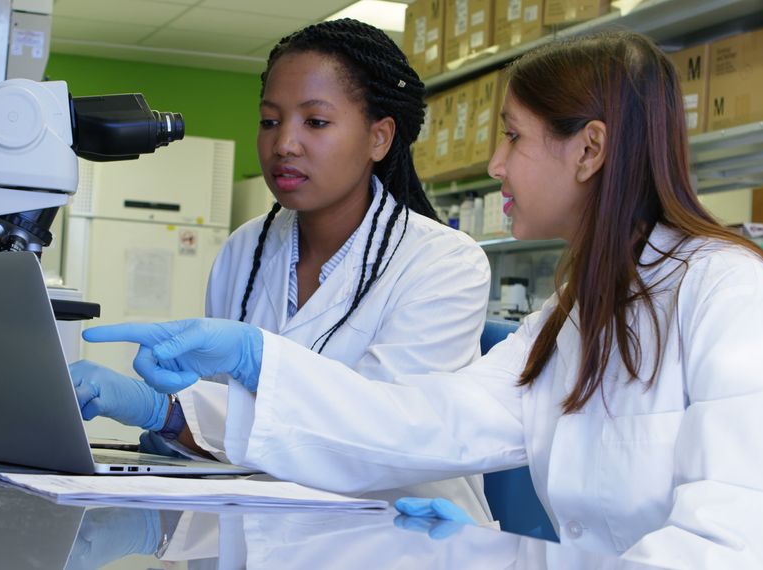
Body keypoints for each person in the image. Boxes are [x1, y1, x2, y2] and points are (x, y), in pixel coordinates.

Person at [80, 31, 763, 568]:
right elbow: (429, 421)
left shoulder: (729, 293)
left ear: (589, 151)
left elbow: (744, 546)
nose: (495, 165)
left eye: (513, 139)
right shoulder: (572, 321)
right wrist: (490, 551)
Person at [69, 19, 493, 520]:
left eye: (315, 122)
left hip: (398, 536)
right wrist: (165, 421)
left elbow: (381, 437)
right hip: (262, 528)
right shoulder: (243, 250)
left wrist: (178, 407)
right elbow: (236, 436)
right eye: (270, 121)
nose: (284, 143)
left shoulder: (443, 262)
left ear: (379, 137)